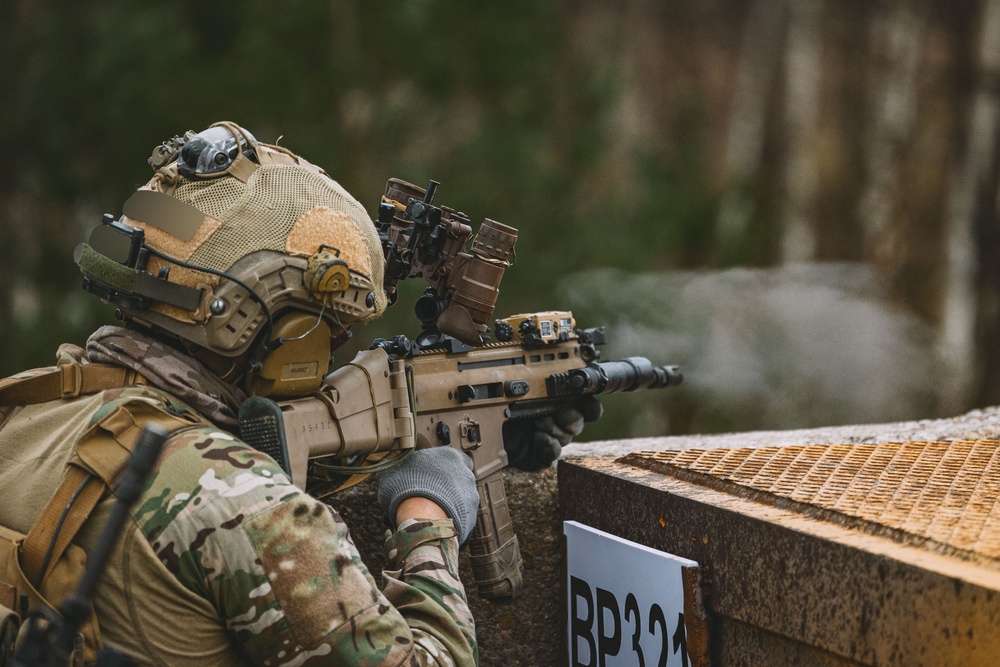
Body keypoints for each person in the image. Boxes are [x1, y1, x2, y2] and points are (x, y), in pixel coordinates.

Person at [0, 122, 593, 666]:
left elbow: (200, 472)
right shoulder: (249, 510)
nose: (333, 349)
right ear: (284, 334)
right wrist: (427, 516)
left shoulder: (29, 409)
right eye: (332, 329)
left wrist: (485, 436)